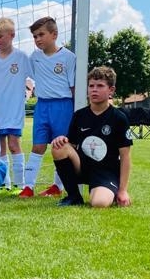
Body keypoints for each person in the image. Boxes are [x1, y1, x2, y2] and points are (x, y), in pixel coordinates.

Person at [51, 66, 132, 208]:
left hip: (105, 171)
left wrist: (123, 190)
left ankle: (106, 191)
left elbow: (125, 156)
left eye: (100, 86)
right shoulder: (79, 115)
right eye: (91, 86)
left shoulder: (119, 118)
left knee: (99, 203)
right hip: (82, 167)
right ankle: (74, 196)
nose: (94, 90)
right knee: (59, 147)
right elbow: (71, 146)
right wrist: (62, 140)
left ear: (111, 90)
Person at [20, 16, 76, 199]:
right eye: (35, 36)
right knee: (37, 146)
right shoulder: (34, 57)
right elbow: (29, 78)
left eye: (41, 34)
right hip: (42, 106)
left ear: (54, 34)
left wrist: (77, 112)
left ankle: (57, 186)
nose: (37, 39)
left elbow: (73, 87)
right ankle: (28, 187)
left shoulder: (68, 57)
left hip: (63, 106)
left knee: (61, 146)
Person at [0, 17, 32, 191]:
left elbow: (33, 79)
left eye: (0, 36)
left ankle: (20, 184)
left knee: (14, 145)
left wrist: (28, 93)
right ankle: (5, 184)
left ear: (12, 35)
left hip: (14, 111)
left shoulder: (21, 57)